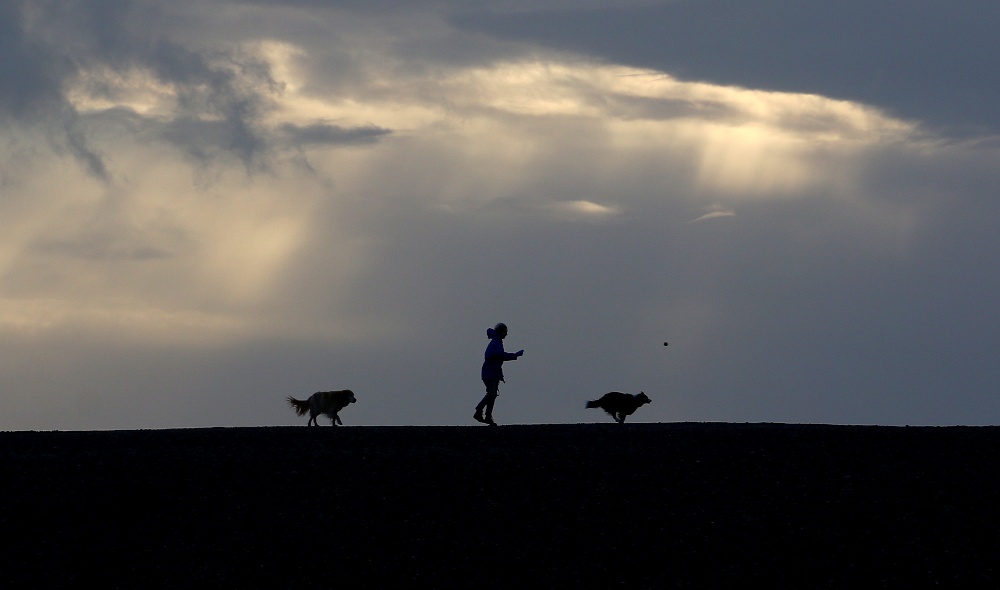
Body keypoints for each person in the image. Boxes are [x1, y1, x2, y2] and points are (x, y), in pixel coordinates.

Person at [474, 322, 523, 425]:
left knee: (493, 394)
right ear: (501, 332)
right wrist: (515, 355)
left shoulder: (497, 342)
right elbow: (500, 355)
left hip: (493, 372)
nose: (506, 334)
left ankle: (488, 416)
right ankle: (479, 411)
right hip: (490, 371)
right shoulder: (496, 343)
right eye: (505, 332)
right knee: (492, 393)